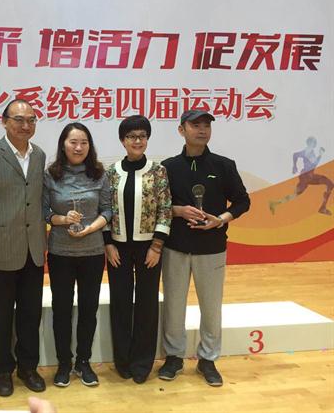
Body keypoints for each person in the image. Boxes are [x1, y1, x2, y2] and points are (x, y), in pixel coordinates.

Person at [158, 109, 250, 387]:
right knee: (173, 305)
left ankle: (208, 359)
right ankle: (174, 357)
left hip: (212, 248)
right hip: (175, 247)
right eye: (195, 125)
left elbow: (243, 201)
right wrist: (178, 210)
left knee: (211, 307)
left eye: (206, 125)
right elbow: (158, 205)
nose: (202, 130)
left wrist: (220, 219)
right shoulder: (167, 167)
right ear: (181, 130)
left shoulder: (223, 165)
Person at [0, 98, 47, 396]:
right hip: (2, 247)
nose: (25, 125)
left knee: (31, 313)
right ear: (4, 122)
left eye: (31, 120)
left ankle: (28, 367)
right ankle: (3, 370)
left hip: (34, 248)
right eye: (18, 119)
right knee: (2, 314)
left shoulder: (39, 155)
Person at [103, 115, 172, 384]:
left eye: (142, 136)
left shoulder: (158, 171)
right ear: (123, 140)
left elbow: (165, 209)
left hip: (149, 249)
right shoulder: (111, 172)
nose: (137, 141)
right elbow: (104, 209)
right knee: (120, 303)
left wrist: (157, 245)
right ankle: (123, 361)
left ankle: (142, 363)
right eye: (131, 136)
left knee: (147, 304)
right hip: (118, 248)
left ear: (147, 139)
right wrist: (108, 243)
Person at [43, 122, 111, 388]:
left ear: (89, 146)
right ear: (63, 145)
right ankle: (63, 363)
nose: (78, 147)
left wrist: (90, 229)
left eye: (84, 142)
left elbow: (107, 210)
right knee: (61, 309)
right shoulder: (51, 175)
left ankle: (84, 361)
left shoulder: (99, 174)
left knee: (88, 309)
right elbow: (44, 211)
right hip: (60, 252)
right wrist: (62, 219)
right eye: (73, 142)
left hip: (92, 252)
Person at [269, 136, 332, 216]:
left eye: (314, 142)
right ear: (310, 143)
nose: (314, 144)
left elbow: (295, 155)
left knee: (295, 194)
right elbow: (314, 164)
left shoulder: (306, 151)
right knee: (329, 183)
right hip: (308, 176)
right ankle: (322, 208)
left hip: (306, 177)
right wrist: (320, 155)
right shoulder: (308, 151)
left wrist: (294, 166)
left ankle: (274, 203)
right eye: (313, 142)